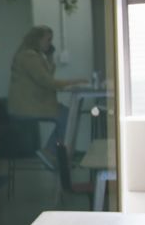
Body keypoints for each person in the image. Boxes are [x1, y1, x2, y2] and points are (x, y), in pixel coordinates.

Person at [7, 25, 87, 166]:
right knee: (68, 115)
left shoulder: (32, 55)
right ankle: (51, 152)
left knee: (67, 114)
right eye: (48, 40)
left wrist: (49, 57)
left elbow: (46, 76)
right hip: (28, 106)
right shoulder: (29, 57)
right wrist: (76, 81)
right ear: (37, 40)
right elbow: (47, 81)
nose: (50, 43)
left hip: (31, 104)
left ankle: (58, 154)